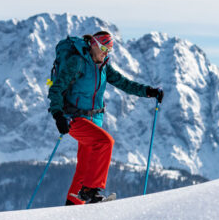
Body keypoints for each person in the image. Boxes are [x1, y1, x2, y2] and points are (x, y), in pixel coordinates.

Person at [48, 30, 163, 205]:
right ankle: (91, 191)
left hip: (95, 120)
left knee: (84, 168)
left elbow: (124, 83)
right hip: (74, 118)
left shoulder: (104, 67)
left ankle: (72, 208)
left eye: (109, 49)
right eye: (103, 48)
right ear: (93, 44)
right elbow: (56, 89)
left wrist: (148, 91)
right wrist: (58, 115)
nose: (105, 52)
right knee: (105, 142)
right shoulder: (77, 62)